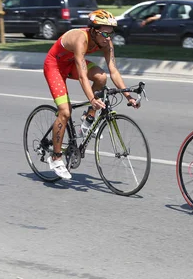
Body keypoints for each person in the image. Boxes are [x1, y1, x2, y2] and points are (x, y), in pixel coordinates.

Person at [43, 9, 139, 179]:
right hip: (55, 66)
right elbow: (82, 75)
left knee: (101, 77)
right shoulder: (81, 38)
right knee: (65, 112)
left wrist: (128, 96)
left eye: (111, 33)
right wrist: (92, 98)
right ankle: (56, 157)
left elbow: (113, 71)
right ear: (94, 31)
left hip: (70, 63)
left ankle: (87, 120)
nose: (107, 37)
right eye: (104, 33)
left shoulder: (107, 42)